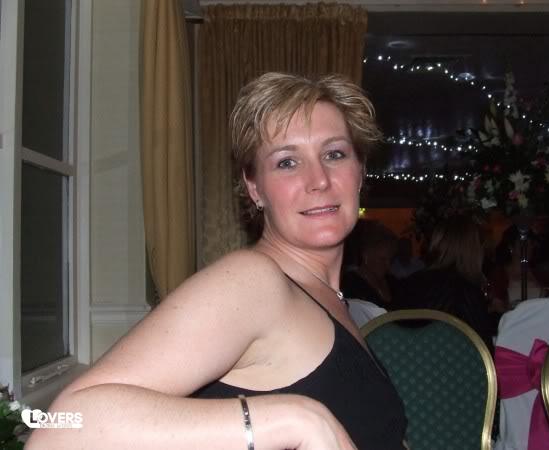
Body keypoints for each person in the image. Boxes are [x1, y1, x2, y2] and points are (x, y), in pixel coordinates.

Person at [26, 72, 408, 450]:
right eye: (287, 162)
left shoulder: (334, 299)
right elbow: (62, 430)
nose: (319, 179)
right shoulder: (253, 283)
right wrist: (295, 420)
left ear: (360, 171)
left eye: (334, 154)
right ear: (255, 188)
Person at [395, 214, 495, 351]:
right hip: (451, 362)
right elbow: (484, 350)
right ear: (474, 249)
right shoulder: (466, 290)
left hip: (406, 360)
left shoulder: (409, 283)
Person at [341, 220, 399, 308]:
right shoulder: (351, 284)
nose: (388, 265)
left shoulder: (393, 282)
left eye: (391, 260)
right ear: (366, 256)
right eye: (382, 260)